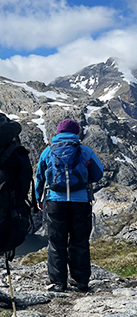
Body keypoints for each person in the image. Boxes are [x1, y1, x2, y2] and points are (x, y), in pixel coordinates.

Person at [35, 119, 104, 292]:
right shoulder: (85, 151)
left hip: (55, 202)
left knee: (56, 242)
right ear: (77, 133)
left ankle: (59, 283)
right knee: (79, 242)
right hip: (81, 203)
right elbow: (98, 174)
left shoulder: (48, 151)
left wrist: (38, 199)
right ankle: (81, 282)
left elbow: (39, 177)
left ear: (57, 133)